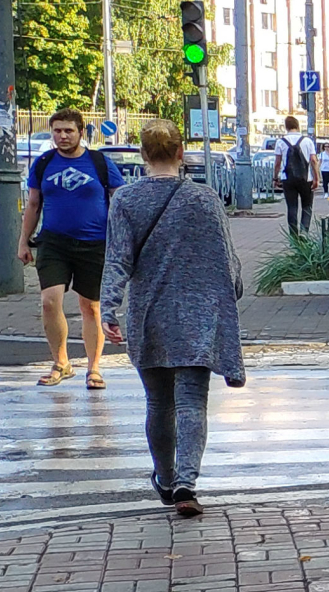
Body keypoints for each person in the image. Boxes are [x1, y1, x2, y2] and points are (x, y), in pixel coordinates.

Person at [102, 119, 245, 518]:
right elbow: (227, 260)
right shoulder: (206, 199)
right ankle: (187, 483)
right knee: (191, 403)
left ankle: (165, 479)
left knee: (159, 402)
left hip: (149, 315)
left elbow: (117, 260)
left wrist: (109, 308)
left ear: (143, 156)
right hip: (199, 316)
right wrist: (231, 289)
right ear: (181, 153)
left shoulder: (126, 201)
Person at [20, 109, 128, 389]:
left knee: (91, 306)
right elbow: (33, 204)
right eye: (57, 131)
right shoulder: (44, 163)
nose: (62, 136)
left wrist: (123, 240)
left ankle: (93, 368)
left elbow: (120, 201)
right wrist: (24, 241)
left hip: (95, 243)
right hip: (54, 242)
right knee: (49, 301)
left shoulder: (99, 163)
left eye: (68, 130)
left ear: (81, 132)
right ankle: (61, 362)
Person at [273, 116, 321, 236]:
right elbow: (314, 161)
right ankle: (304, 233)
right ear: (298, 126)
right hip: (306, 178)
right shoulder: (307, 141)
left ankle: (294, 237)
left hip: (287, 179)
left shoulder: (280, 142)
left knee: (292, 207)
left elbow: (277, 163)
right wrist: (316, 178)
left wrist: (275, 178)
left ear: (286, 126)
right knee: (307, 206)